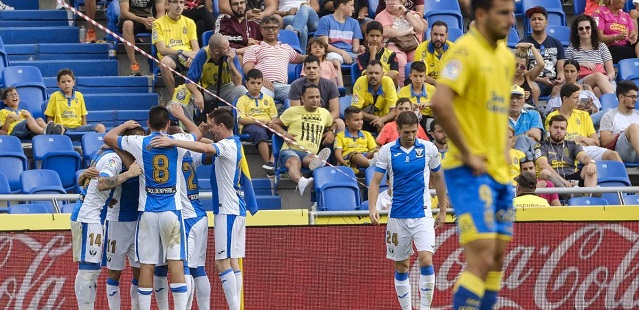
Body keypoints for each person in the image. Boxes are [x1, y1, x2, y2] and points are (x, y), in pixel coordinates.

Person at [430, 1, 516, 308]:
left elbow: (500, 108)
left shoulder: (507, 56)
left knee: (496, 259)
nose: (511, 18)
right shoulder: (464, 51)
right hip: (469, 170)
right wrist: (467, 152)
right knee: (481, 254)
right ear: (481, 15)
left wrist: (505, 150)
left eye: (512, 11)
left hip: (499, 171)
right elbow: (439, 102)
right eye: (503, 13)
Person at [149, 109, 254, 310]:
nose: (210, 131)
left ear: (222, 126)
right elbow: (203, 144)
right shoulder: (198, 153)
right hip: (205, 215)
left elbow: (205, 147)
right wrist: (190, 125)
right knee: (210, 267)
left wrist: (173, 140)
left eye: (213, 127)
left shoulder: (225, 145)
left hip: (197, 215)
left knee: (195, 267)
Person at [103, 104, 203, 310]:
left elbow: (108, 138)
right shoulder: (178, 142)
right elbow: (197, 133)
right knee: (176, 262)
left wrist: (124, 125)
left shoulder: (139, 142)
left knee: (147, 265)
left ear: (148, 124)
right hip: (172, 212)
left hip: (147, 212)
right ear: (168, 123)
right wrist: (182, 117)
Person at [368, 111, 447, 310]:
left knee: (425, 259)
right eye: (406, 132)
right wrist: (372, 208)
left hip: (423, 214)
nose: (411, 136)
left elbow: (438, 178)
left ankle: (425, 308)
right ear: (398, 130)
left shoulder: (429, 149)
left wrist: (443, 209)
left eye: (413, 132)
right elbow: (376, 181)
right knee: (401, 266)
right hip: (397, 216)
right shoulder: (387, 151)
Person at [71, 144, 143, 309]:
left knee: (92, 269)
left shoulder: (102, 152)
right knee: (88, 270)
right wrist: (129, 173)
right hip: (88, 216)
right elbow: (102, 184)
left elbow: (87, 181)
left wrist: (104, 197)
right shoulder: (114, 158)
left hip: (90, 214)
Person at [99, 126, 144, 310]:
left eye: (142, 138)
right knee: (114, 273)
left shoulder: (145, 157)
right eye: (135, 138)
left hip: (140, 222)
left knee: (140, 273)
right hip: (117, 221)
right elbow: (101, 184)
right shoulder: (116, 160)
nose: (138, 142)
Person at [271, 84, 335, 195]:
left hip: (308, 153)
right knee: (294, 161)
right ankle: (301, 181)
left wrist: (331, 132)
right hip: (290, 149)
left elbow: (333, 124)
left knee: (312, 160)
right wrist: (284, 133)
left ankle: (318, 163)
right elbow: (274, 124)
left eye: (317, 97)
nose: (315, 100)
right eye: (311, 97)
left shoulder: (324, 113)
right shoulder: (292, 111)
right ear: (302, 99)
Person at [546, 84, 622, 163]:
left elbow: (596, 142)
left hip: (586, 149)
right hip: (563, 151)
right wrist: (582, 138)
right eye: (575, 98)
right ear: (565, 98)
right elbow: (553, 143)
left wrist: (576, 141)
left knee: (613, 155)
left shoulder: (584, 115)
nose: (578, 100)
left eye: (578, 97)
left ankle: (624, 175)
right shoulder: (552, 117)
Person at [243, 15, 306, 103]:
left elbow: (300, 58)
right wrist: (261, 80)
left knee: (302, 96)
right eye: (267, 28)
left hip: (283, 86)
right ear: (261, 30)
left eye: (274, 28)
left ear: (278, 30)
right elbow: (247, 69)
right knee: (258, 101)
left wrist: (315, 56)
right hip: (262, 85)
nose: (271, 30)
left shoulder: (286, 48)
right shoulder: (254, 48)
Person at [185, 33, 247, 121]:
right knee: (184, 94)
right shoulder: (202, 54)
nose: (230, 49)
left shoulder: (231, 55)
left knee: (242, 90)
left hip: (226, 87)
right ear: (217, 51)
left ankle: (239, 124)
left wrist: (230, 64)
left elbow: (238, 82)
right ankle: (190, 128)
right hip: (206, 89)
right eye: (226, 48)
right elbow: (189, 81)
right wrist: (197, 93)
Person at [535, 114, 598, 188]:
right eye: (556, 127)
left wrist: (591, 162)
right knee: (544, 172)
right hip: (553, 180)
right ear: (549, 128)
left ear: (566, 131)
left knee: (590, 167)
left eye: (562, 128)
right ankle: (571, 194)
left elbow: (583, 157)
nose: (559, 131)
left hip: (572, 179)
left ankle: (588, 197)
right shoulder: (541, 145)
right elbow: (543, 165)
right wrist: (563, 181)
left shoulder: (573, 144)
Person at [152, 0, 200, 98]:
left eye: (181, 2)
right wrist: (182, 52)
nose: (178, 6)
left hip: (188, 57)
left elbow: (196, 48)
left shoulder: (190, 22)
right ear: (168, 4)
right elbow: (162, 49)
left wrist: (192, 56)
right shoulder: (157, 23)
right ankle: (174, 97)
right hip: (171, 56)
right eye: (175, 2)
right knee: (164, 63)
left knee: (200, 59)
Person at [375, 0, 427, 86]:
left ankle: (418, 89)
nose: (389, 2)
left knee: (418, 61)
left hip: (412, 45)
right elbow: (387, 32)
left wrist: (405, 12)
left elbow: (420, 28)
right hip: (393, 44)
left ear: (401, 1)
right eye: (387, 0)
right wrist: (408, 31)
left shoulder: (411, 14)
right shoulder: (381, 15)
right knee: (400, 61)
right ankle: (403, 91)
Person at [236, 68, 278, 170]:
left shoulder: (269, 99)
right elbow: (241, 119)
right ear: (246, 83)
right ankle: (267, 162)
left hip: (267, 124)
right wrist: (258, 122)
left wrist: (271, 123)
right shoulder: (242, 100)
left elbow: (274, 116)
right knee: (260, 133)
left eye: (259, 83)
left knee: (278, 132)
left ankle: (272, 162)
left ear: (262, 83)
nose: (256, 85)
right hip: (250, 126)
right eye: (253, 83)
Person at [519, 6, 566, 98]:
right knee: (533, 88)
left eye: (540, 19)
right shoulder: (523, 44)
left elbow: (561, 69)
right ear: (530, 22)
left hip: (553, 82)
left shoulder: (556, 43)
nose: (537, 21)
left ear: (546, 22)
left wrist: (560, 78)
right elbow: (521, 70)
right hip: (532, 81)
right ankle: (536, 111)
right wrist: (541, 80)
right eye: (533, 19)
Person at [289, 55, 343, 131]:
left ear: (320, 69)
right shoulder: (295, 85)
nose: (311, 70)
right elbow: (296, 112)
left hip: (325, 119)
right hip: (304, 120)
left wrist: (321, 122)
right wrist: (312, 122)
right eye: (308, 68)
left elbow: (335, 112)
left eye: (314, 68)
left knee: (340, 123)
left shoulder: (330, 85)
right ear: (304, 70)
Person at [44, 68, 106, 135]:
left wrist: (84, 131)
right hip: (63, 127)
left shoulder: (79, 95)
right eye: (63, 82)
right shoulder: (54, 96)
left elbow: (83, 115)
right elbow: (50, 117)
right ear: (58, 84)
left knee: (101, 127)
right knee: (59, 128)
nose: (66, 84)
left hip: (77, 127)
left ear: (73, 82)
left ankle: (103, 144)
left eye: (69, 81)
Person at [567, 14, 616, 97]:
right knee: (598, 76)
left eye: (587, 27)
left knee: (597, 90)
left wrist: (607, 78)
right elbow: (567, 69)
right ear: (577, 31)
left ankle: (602, 109)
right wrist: (581, 64)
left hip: (604, 80)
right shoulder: (571, 49)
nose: (584, 30)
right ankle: (615, 103)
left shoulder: (602, 46)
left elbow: (611, 72)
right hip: (580, 82)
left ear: (592, 29)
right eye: (580, 28)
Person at [546, 59, 604, 123]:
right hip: (567, 119)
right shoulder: (557, 89)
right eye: (566, 71)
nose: (569, 75)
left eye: (572, 71)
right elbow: (553, 110)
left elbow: (596, 109)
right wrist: (574, 109)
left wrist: (589, 108)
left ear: (578, 72)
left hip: (586, 117)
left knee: (607, 111)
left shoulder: (586, 87)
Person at [119, 0, 165, 75]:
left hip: (148, 18)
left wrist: (155, 22)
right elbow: (124, 13)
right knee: (128, 24)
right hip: (130, 18)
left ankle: (162, 64)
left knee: (161, 25)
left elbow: (161, 11)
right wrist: (142, 20)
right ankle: (133, 64)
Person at [352, 60, 398, 133]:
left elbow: (394, 110)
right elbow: (356, 110)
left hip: (385, 119)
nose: (373, 76)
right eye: (370, 73)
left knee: (398, 117)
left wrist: (382, 120)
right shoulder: (360, 81)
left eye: (377, 73)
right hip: (366, 119)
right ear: (366, 74)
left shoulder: (388, 81)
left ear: (382, 74)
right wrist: (375, 118)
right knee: (353, 117)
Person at [315, 0, 364, 69]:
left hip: (350, 54)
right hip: (332, 53)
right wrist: (342, 52)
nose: (353, 9)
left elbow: (355, 48)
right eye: (351, 5)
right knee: (335, 60)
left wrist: (359, 49)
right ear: (342, 6)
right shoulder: (325, 20)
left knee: (366, 59)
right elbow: (324, 45)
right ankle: (339, 80)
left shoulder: (354, 23)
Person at [600, 80, 639, 163]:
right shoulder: (609, 116)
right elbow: (604, 142)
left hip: (636, 153)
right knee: (633, 128)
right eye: (632, 97)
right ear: (621, 97)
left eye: (636, 97)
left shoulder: (638, 114)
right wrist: (625, 132)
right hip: (621, 153)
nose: (635, 100)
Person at [334, 106, 377, 174]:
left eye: (361, 119)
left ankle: (376, 164)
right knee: (356, 154)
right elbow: (337, 153)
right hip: (350, 159)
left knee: (377, 151)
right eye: (356, 120)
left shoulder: (367, 134)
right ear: (347, 122)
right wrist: (343, 163)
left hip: (365, 156)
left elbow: (373, 149)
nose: (360, 122)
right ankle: (371, 164)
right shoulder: (340, 136)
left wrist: (376, 152)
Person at [356, 21, 400, 87]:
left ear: (382, 37)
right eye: (372, 36)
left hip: (388, 87)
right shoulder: (361, 57)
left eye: (377, 36)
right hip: (369, 89)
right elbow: (369, 77)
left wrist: (378, 78)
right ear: (366, 36)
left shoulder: (391, 54)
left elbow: (395, 75)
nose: (375, 39)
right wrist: (373, 54)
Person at [397, 61, 436, 131]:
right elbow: (397, 109)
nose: (418, 79)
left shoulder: (432, 89)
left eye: (421, 76)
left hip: (427, 119)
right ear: (410, 76)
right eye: (415, 76)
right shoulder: (403, 91)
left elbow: (438, 106)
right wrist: (409, 106)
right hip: (408, 119)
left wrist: (429, 104)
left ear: (425, 77)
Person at [414, 21, 455, 86]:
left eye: (441, 35)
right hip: (427, 85)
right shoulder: (421, 49)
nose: (438, 38)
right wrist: (436, 83)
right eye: (435, 34)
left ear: (446, 36)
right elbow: (419, 75)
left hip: (448, 85)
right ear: (430, 34)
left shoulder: (454, 49)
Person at [509, 84, 543, 160]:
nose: (514, 101)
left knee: (523, 140)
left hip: (532, 149)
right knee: (527, 153)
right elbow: (502, 143)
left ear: (524, 100)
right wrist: (526, 133)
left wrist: (512, 142)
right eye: (511, 98)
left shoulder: (533, 114)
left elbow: (536, 137)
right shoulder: (500, 118)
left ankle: (516, 165)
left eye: (518, 98)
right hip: (508, 153)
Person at [513, 42, 545, 107]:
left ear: (526, 67)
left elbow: (541, 64)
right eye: (516, 65)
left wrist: (531, 46)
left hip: (526, 111)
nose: (518, 68)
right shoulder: (504, 77)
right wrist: (520, 95)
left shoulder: (528, 77)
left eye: (522, 67)